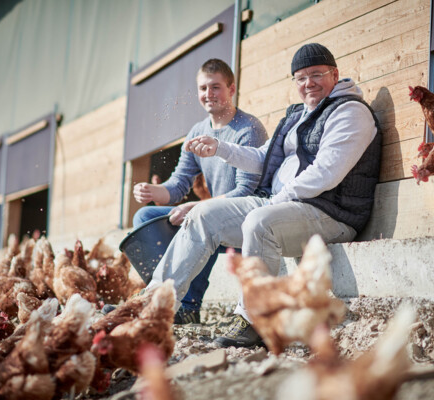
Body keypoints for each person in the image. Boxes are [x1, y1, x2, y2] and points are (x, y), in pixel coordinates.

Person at [145, 43, 382, 347]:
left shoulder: (350, 112)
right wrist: (221, 149)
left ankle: (256, 320)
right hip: (286, 206)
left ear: (334, 75)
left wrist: (276, 201)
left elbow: (326, 173)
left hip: (331, 213)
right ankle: (155, 306)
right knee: (202, 214)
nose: (308, 83)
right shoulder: (299, 115)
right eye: (300, 78)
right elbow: (264, 157)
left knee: (261, 220)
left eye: (316, 75)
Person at [132, 58, 267, 324]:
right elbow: (178, 185)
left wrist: (194, 207)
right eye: (203, 88)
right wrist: (152, 191)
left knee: (200, 218)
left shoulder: (247, 130)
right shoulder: (197, 131)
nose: (209, 94)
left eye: (216, 87)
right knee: (144, 217)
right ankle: (162, 298)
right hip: (212, 214)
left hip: (245, 221)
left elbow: (245, 191)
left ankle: (188, 305)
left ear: (232, 89)